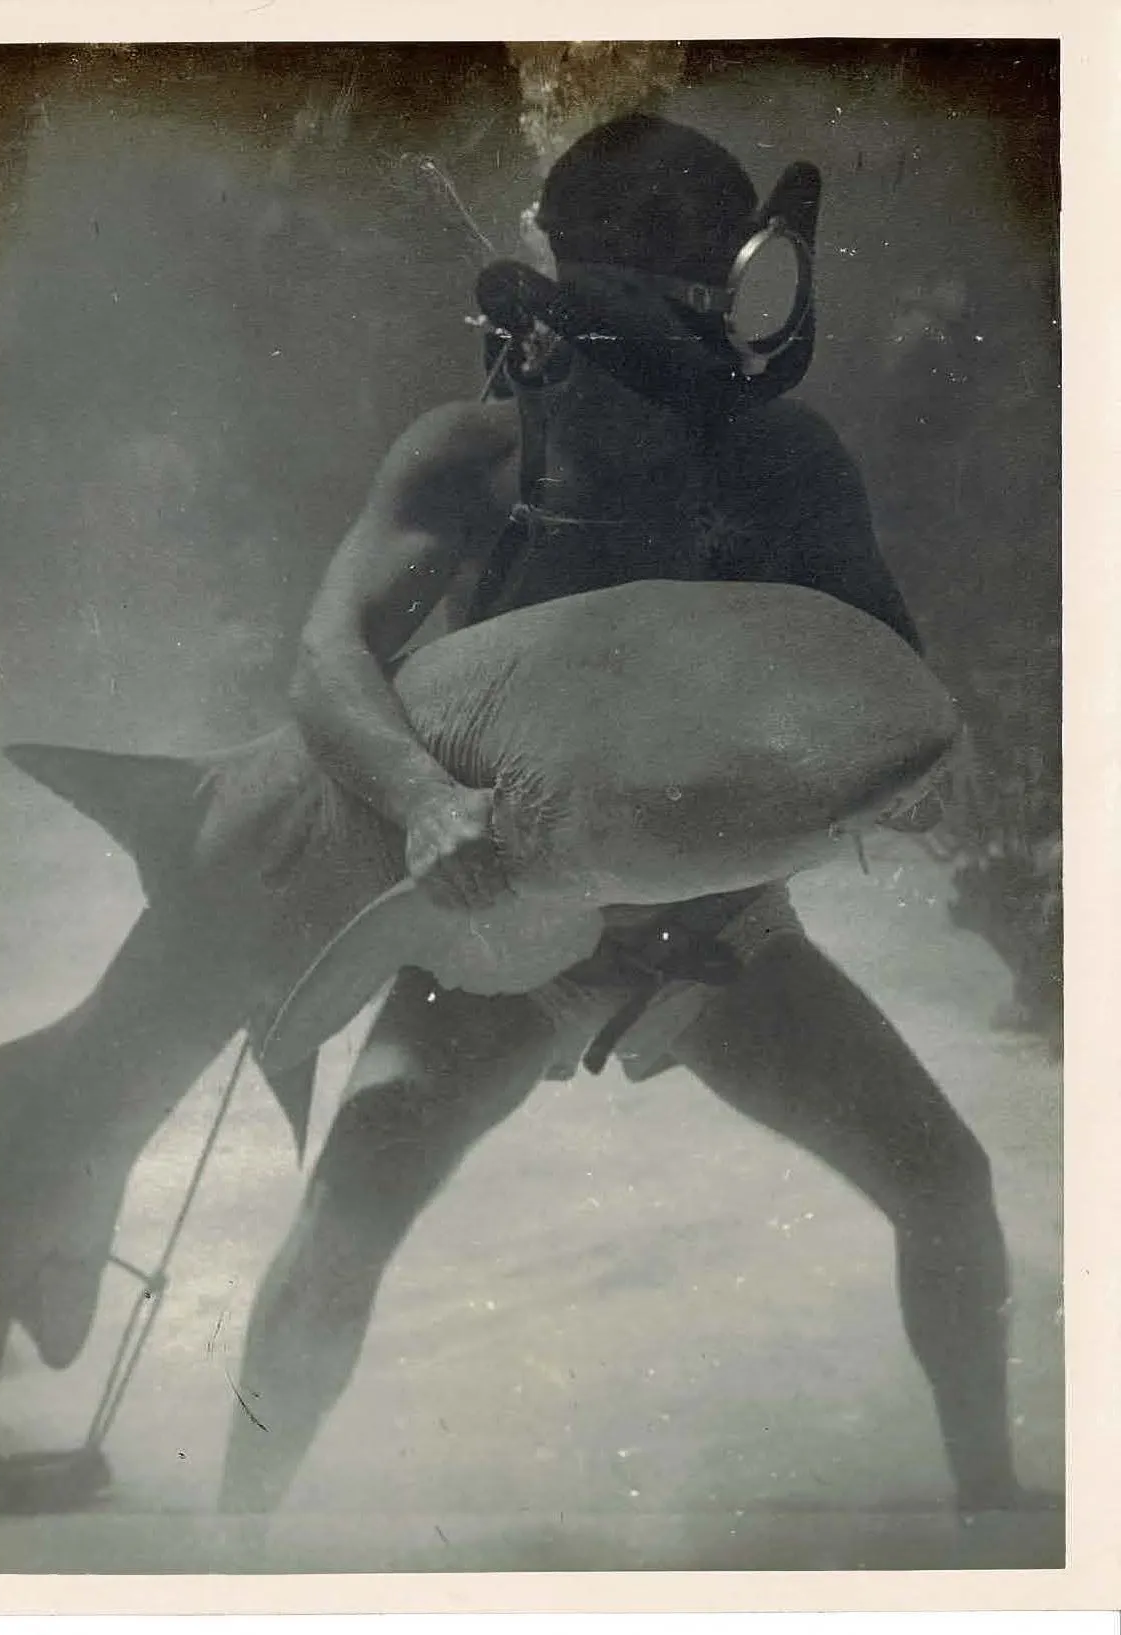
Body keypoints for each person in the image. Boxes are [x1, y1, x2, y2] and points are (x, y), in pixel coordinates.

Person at [219, 113, 1026, 1517]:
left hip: (720, 935)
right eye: (625, 293)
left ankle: (1001, 1524)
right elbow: (325, 657)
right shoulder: (477, 452)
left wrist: (920, 777)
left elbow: (883, 673)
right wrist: (422, 802)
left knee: (947, 1187)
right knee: (343, 1226)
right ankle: (226, 1560)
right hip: (495, 921)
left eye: (685, 288)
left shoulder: (788, 460)